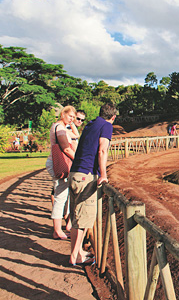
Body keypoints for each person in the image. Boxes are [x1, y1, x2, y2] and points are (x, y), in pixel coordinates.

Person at [68, 103, 118, 266]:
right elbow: (102, 150)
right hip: (86, 176)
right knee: (83, 219)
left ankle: (77, 252)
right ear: (113, 117)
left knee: (76, 217)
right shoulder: (106, 126)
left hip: (75, 173)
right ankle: (75, 257)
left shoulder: (90, 124)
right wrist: (103, 174)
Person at [45, 106, 77, 240]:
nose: (72, 119)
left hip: (59, 163)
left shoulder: (62, 127)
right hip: (59, 164)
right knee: (60, 197)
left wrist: (72, 124)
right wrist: (78, 161)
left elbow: (76, 136)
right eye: (70, 116)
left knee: (62, 196)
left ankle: (57, 230)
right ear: (63, 114)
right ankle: (57, 230)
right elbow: (66, 149)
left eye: (74, 117)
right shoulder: (60, 128)